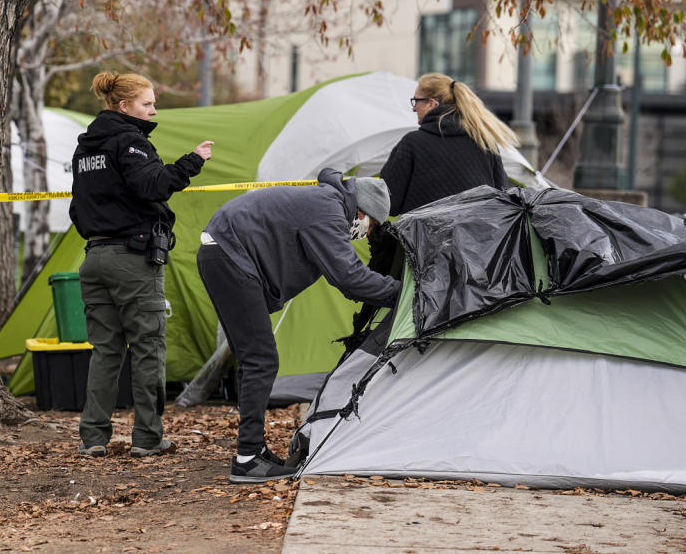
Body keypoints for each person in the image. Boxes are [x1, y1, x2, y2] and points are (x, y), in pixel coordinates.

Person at [197, 168, 401, 483]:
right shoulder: (328, 210)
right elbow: (350, 279)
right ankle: (247, 460)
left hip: (222, 251)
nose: (365, 232)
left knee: (254, 358)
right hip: (230, 256)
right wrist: (402, 294)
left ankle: (254, 449)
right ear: (362, 210)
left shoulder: (326, 201)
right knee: (261, 359)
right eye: (370, 224)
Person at [70, 71, 213, 459]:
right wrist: (192, 162)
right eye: (148, 104)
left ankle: (93, 438)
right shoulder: (130, 141)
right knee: (148, 348)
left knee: (105, 351)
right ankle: (147, 438)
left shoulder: (86, 149)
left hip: (94, 257)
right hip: (132, 259)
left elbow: (77, 208)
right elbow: (153, 185)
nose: (154, 110)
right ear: (124, 106)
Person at [380, 73, 519, 217]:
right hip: (475, 238)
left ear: (432, 103)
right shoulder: (485, 143)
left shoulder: (412, 144)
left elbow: (387, 202)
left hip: (420, 238)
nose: (414, 108)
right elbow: (500, 196)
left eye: (416, 101)